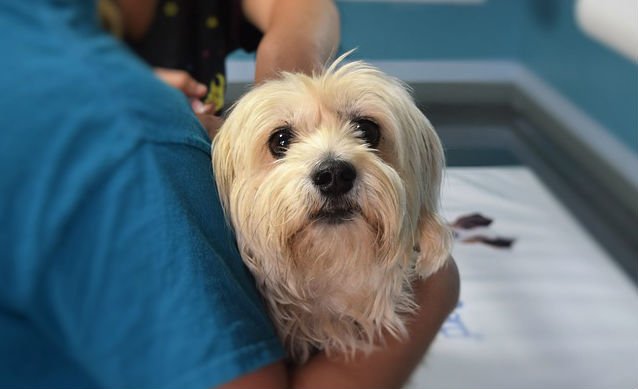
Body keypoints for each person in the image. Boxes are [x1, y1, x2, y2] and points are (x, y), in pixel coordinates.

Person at [0, 0, 460, 388]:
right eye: (282, 143)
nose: (333, 166)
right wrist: (437, 289)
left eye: (366, 129)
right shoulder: (136, 141)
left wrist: (283, 84)